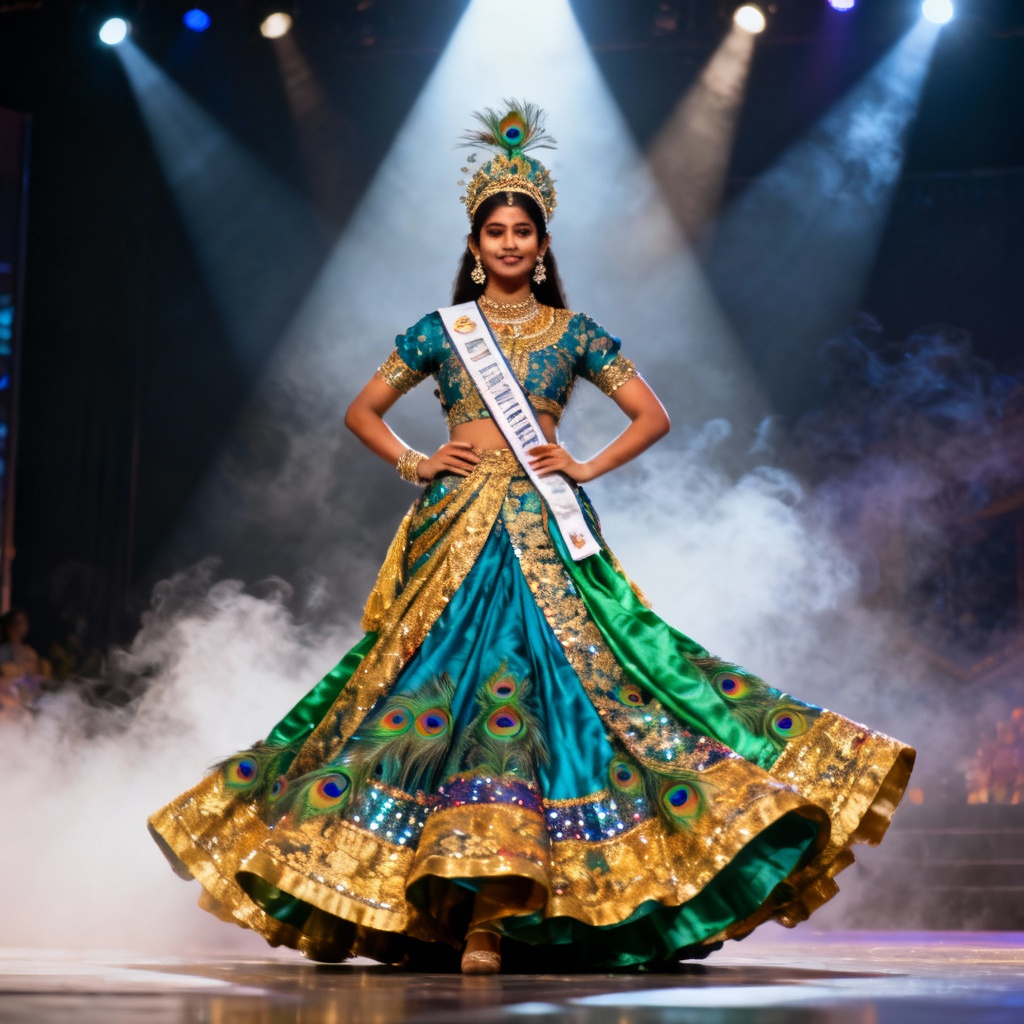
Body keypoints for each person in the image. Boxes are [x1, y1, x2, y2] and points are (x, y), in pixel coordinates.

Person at [149, 102, 915, 974]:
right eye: (495, 232)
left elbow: (651, 415)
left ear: (542, 248)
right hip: (455, 531)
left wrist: (585, 467)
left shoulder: (575, 333)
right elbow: (362, 412)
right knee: (432, 698)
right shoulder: (442, 332)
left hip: (547, 527)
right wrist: (414, 462)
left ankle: (513, 912)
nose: (510, 244)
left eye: (523, 232)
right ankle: (443, 907)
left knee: (570, 691)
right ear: (475, 246)